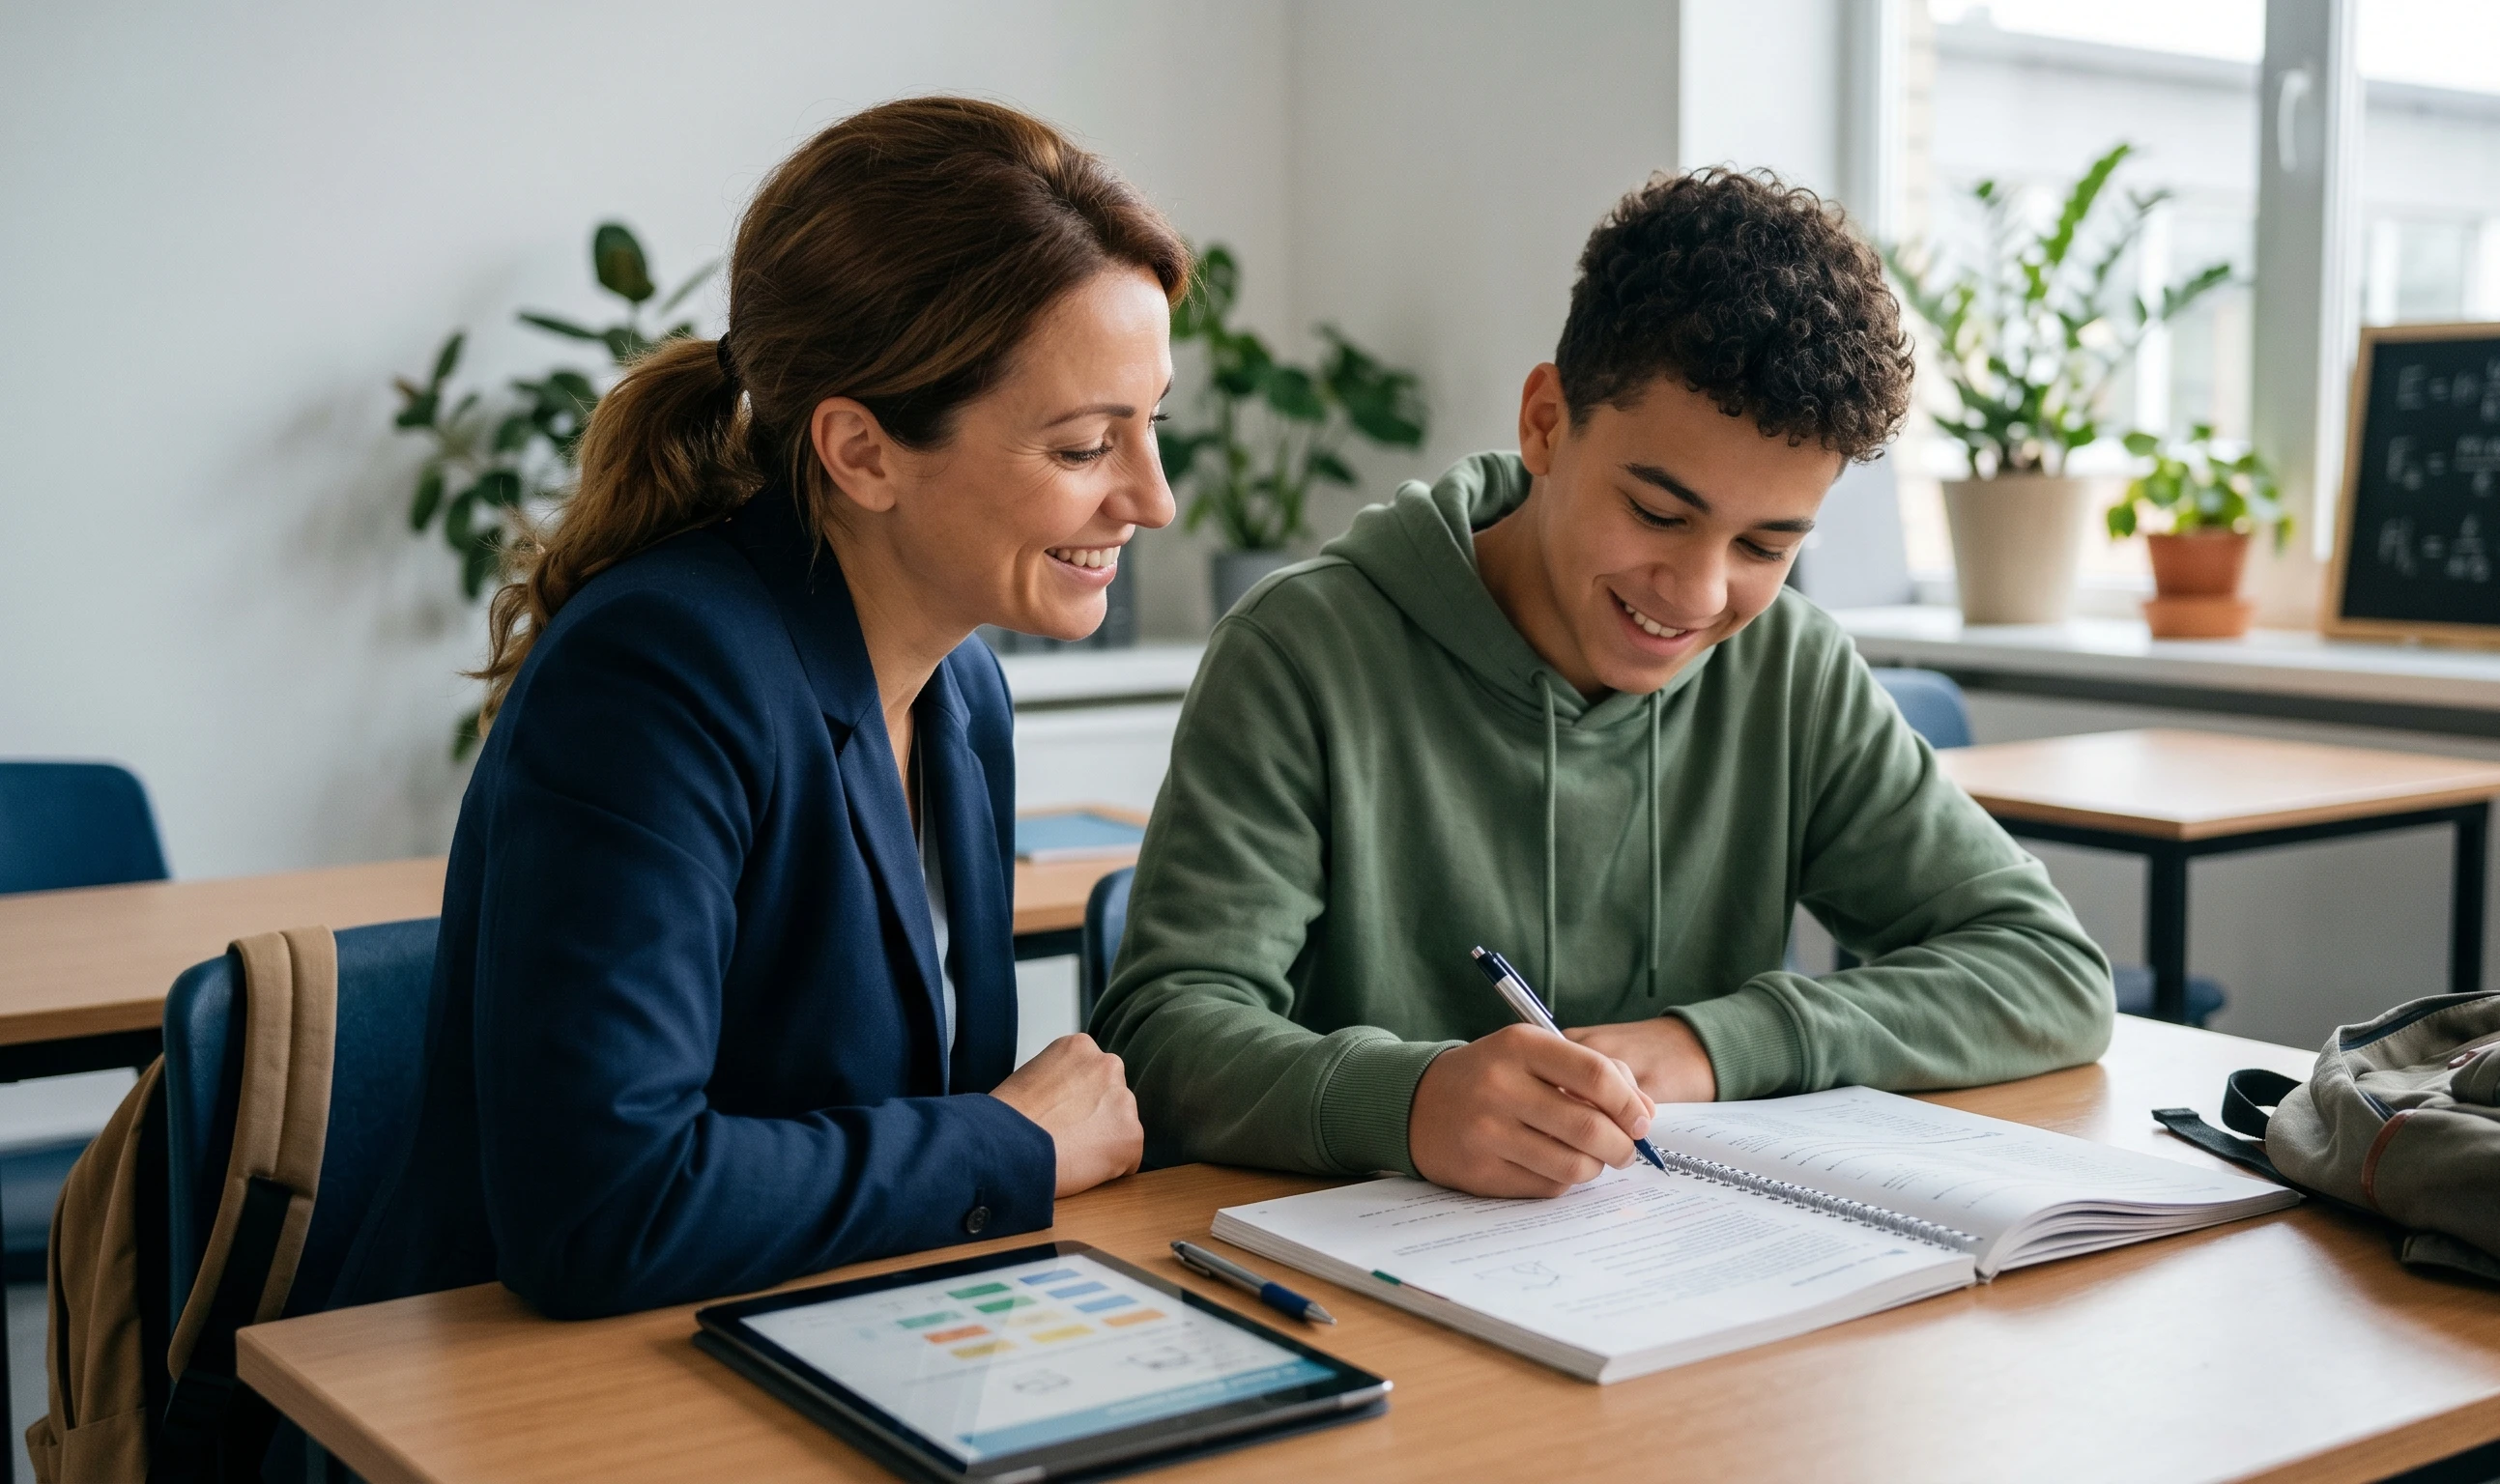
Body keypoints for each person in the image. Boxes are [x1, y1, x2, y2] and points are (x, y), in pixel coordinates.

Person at [1091, 168, 2113, 1199]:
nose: (1699, 592)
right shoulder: (1304, 650)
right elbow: (1160, 1039)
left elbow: (2049, 974)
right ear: (1544, 423)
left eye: (1765, 545)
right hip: (1367, 1288)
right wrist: (1409, 1101)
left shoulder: (1789, 668)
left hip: (1681, 1278)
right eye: (1659, 514)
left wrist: (1716, 1045)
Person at [337, 98, 1184, 1319]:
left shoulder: (962, 687)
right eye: (1083, 448)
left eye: (1150, 426)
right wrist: (1010, 1146)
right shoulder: (658, 673)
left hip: (828, 1329)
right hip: (530, 1400)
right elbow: (604, 1210)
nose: (1151, 500)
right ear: (861, 452)